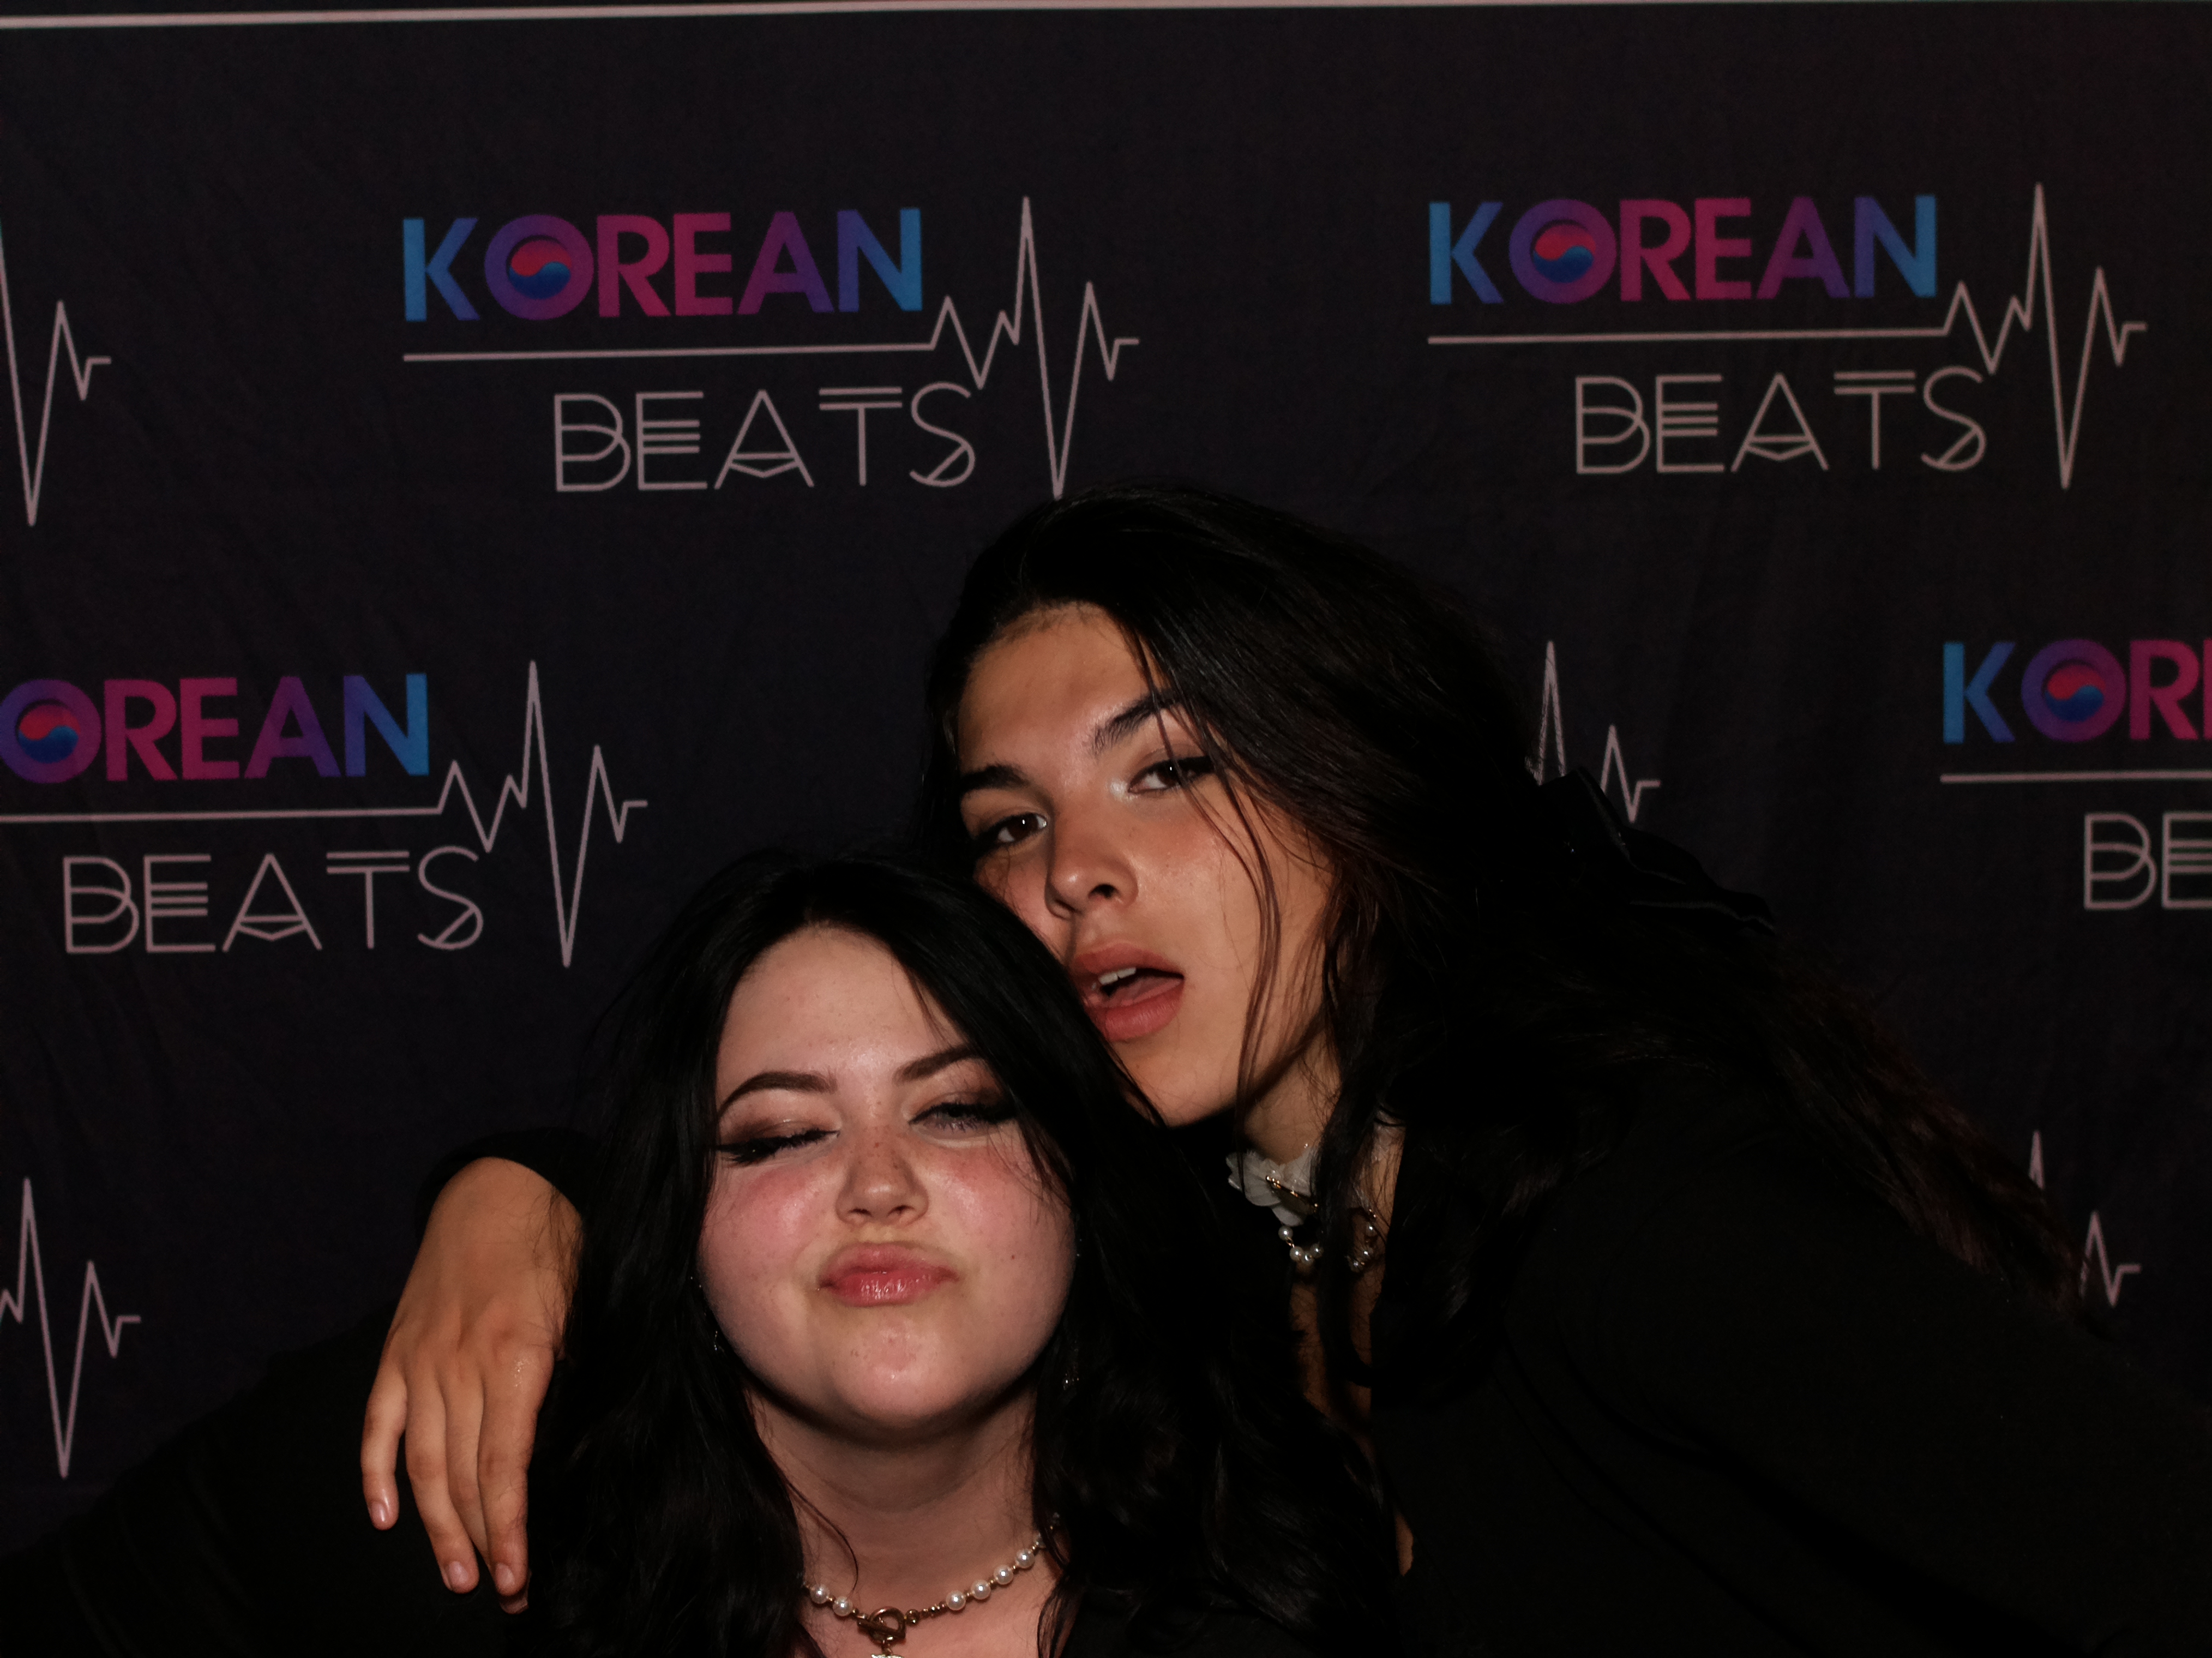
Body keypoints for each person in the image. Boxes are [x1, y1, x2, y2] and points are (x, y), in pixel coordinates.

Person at [373, 484, 2212, 1653]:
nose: (1074, 871)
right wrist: (521, 1197)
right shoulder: (1222, 1237)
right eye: (1008, 822)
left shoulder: (1625, 1213)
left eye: (1168, 770)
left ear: (1359, 786)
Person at [0, 852, 1391, 1657]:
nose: (879, 1184)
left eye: (959, 1109)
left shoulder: (1275, 1589)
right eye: (780, 1133)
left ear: (1082, 1181)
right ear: (676, 1220)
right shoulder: (459, 1511)